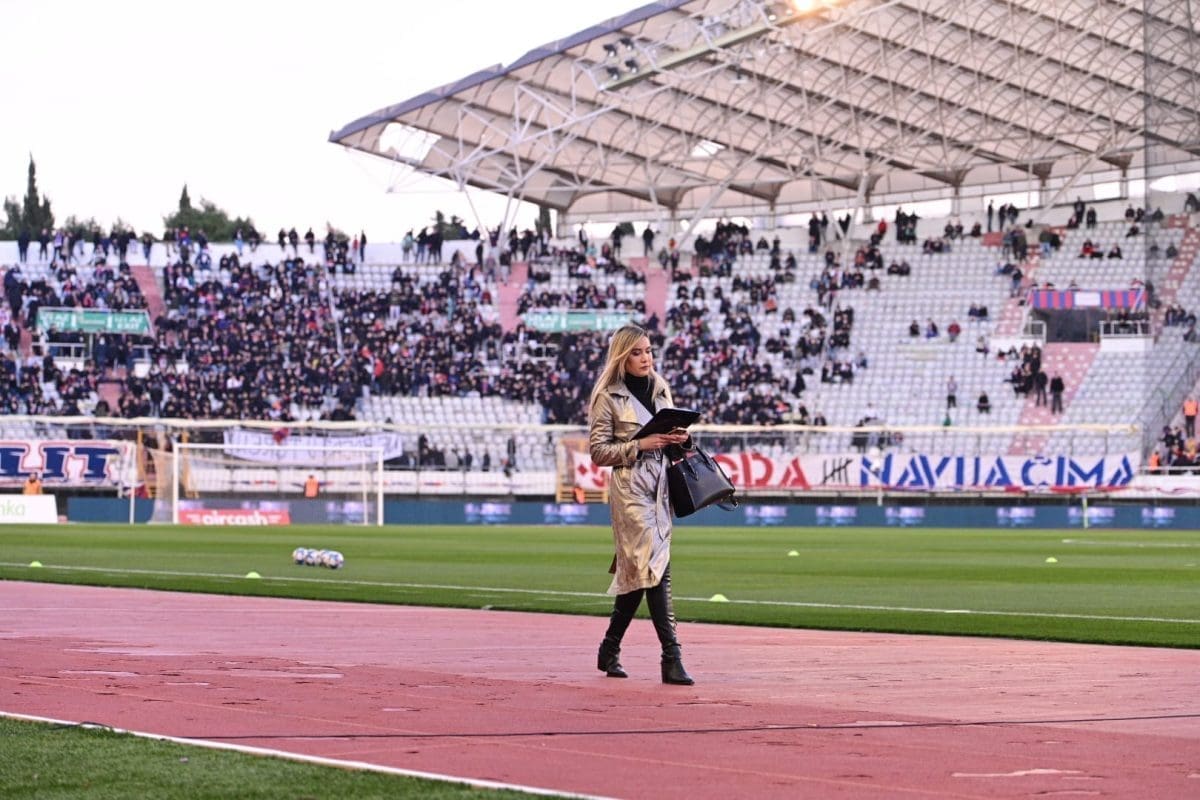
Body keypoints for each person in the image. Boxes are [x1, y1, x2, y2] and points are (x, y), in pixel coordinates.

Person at [588, 324, 694, 685]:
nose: (646, 358)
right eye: (637, 352)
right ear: (622, 357)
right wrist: (639, 445)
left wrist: (682, 439)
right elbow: (598, 452)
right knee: (656, 568)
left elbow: (672, 441)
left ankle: (609, 647)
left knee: (639, 572)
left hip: (661, 489)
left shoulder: (660, 388)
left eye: (648, 351)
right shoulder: (608, 397)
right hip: (631, 491)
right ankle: (672, 657)